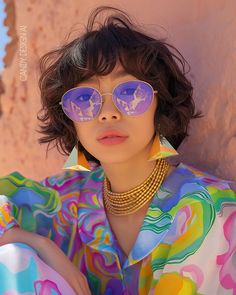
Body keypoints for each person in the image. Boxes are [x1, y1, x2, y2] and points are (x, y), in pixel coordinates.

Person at [0, 5, 235, 295]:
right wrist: (31, 241)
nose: (106, 113)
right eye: (84, 98)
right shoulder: (63, 201)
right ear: (70, 119)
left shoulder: (211, 211)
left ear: (159, 104)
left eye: (130, 92)